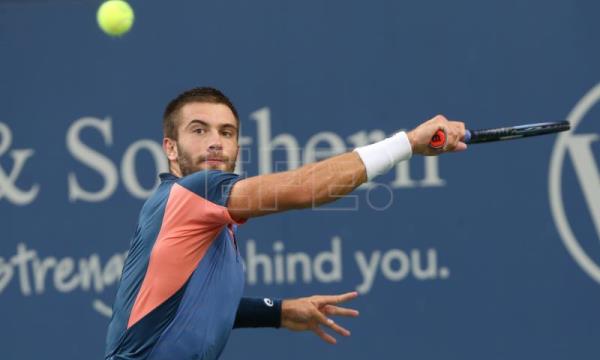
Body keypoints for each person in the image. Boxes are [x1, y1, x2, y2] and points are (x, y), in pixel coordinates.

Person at [105, 87, 466, 360]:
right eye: (199, 131)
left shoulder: (203, 218)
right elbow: (307, 188)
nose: (215, 142)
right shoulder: (193, 193)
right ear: (170, 148)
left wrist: (277, 312)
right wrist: (408, 144)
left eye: (227, 132)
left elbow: (187, 309)